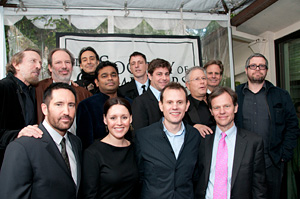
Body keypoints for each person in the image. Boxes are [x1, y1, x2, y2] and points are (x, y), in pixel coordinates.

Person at [0, 83, 82, 199]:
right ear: (44, 109)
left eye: (71, 105)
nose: (66, 112)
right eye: (59, 104)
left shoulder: (76, 143)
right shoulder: (22, 147)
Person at [235, 53, 300, 199]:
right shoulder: (235, 95)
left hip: (272, 161)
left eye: (262, 66)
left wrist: (285, 154)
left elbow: (292, 125)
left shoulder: (281, 95)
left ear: (266, 70)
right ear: (246, 70)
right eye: (253, 66)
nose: (257, 69)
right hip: (243, 161)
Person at [195, 86, 267, 199]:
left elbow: (259, 187)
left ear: (235, 108)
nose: (222, 111)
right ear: (211, 111)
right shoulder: (202, 139)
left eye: (227, 106)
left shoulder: (253, 142)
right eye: (217, 107)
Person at [135, 82, 200, 199]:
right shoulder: (143, 136)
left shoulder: (195, 136)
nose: (175, 107)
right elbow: (139, 176)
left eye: (180, 102)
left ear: (187, 105)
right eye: (169, 102)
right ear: (161, 105)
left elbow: (196, 175)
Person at [79, 97, 138, 199]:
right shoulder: (93, 153)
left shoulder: (135, 148)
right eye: (113, 118)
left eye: (124, 117)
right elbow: (89, 195)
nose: (119, 123)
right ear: (105, 119)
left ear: (131, 118)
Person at [0, 48, 43, 166]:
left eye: (40, 63)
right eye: (33, 61)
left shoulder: (34, 91)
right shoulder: (4, 87)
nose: (38, 66)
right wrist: (18, 134)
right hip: (6, 162)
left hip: (26, 160)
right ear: (16, 64)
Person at [76, 61, 131, 149]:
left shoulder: (130, 103)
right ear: (96, 82)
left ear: (119, 79)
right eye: (104, 76)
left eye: (113, 75)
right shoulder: (87, 105)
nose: (110, 78)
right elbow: (84, 141)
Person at [35, 48, 92, 128]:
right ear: (50, 67)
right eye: (58, 62)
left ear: (72, 67)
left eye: (67, 62)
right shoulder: (36, 90)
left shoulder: (85, 94)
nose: (64, 66)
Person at [132, 58, 171, 130]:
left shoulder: (173, 99)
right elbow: (140, 132)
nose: (164, 78)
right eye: (159, 74)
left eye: (167, 74)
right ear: (150, 76)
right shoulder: (140, 102)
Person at [184, 66, 215, 138]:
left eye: (204, 78)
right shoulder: (184, 105)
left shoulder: (215, 99)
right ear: (188, 85)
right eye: (197, 79)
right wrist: (193, 127)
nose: (202, 82)